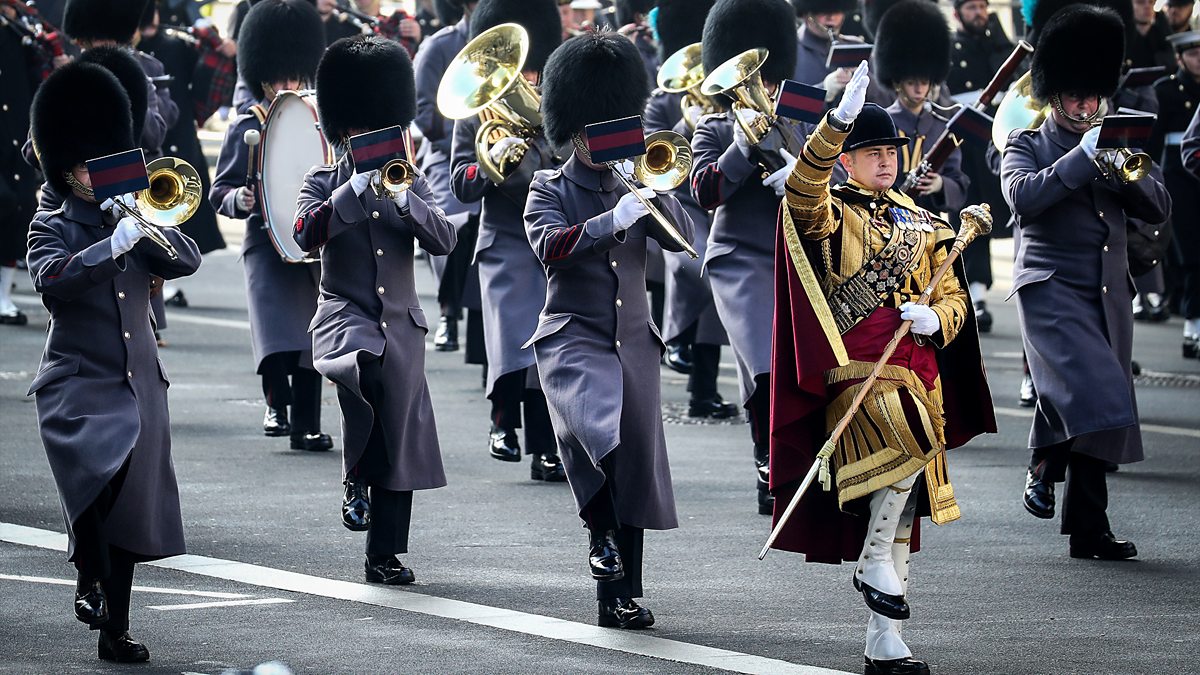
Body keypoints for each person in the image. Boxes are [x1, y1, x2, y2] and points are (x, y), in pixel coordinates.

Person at [770, 61, 994, 675]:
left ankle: (884, 640)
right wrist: (833, 125)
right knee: (909, 442)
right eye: (869, 152)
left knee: (903, 508)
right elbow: (801, 196)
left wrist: (936, 319)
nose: (886, 162)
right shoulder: (832, 211)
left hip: (921, 370)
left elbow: (954, 299)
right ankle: (871, 564)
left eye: (890, 151)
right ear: (848, 159)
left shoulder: (927, 223)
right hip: (859, 371)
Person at [26, 59, 201, 663]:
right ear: (66, 168)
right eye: (81, 164)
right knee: (97, 486)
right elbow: (54, 281)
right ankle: (87, 576)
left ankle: (114, 628)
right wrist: (110, 244)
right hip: (81, 383)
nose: (89, 173)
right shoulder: (50, 224)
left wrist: (143, 223)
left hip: (138, 385)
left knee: (128, 508)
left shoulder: (132, 209)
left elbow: (188, 260)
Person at [525, 29, 692, 629]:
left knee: (634, 468)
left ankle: (621, 594)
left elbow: (684, 246)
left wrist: (651, 193)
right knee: (601, 438)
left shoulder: (632, 179)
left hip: (634, 343)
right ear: (573, 130)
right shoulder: (549, 186)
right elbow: (549, 246)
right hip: (574, 339)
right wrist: (608, 220)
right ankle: (599, 535)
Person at [1002, 5, 1170, 560]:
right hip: (1050, 287)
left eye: (1091, 96)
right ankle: (1045, 462)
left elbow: (1160, 206)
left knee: (1106, 405)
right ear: (1054, 96)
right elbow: (1023, 198)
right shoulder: (1026, 143)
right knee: (1094, 392)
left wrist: (1131, 172)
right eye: (1074, 96)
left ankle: (1088, 528)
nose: (1084, 106)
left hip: (1108, 289)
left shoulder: (1115, 139)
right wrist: (1082, 159)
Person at [294, 34, 455, 585]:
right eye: (361, 130)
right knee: (365, 378)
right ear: (343, 132)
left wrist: (406, 202)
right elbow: (304, 235)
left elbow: (445, 241)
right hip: (346, 316)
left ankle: (383, 555)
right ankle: (352, 478)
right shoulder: (322, 181)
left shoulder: (410, 179)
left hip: (403, 323)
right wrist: (352, 191)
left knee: (399, 439)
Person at [692, 0, 809, 515]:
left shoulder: (803, 119)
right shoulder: (712, 129)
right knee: (765, 362)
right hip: (740, 258)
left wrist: (805, 180)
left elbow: (841, 177)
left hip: (800, 257)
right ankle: (771, 467)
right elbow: (704, 190)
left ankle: (782, 469)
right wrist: (740, 146)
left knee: (792, 369)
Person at [449, 0, 567, 481]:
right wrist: (489, 162)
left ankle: (545, 447)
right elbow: (460, 182)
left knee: (545, 347)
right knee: (509, 340)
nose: (530, 77)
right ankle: (502, 421)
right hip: (503, 237)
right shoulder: (478, 108)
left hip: (551, 235)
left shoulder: (561, 98)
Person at [210, 0, 332, 451]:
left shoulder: (321, 120)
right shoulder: (247, 124)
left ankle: (307, 425)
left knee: (310, 340)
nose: (285, 86)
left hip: (312, 241)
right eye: (276, 79)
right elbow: (218, 190)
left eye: (292, 77)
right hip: (265, 240)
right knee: (277, 334)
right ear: (261, 78)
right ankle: (275, 406)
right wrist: (237, 199)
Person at [642, 0, 737, 420]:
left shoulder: (725, 98)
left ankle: (704, 390)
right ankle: (675, 340)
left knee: (716, 283)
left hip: (714, 200)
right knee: (691, 271)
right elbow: (649, 152)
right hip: (677, 203)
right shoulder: (663, 101)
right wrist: (687, 125)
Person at [138, 1, 228, 307]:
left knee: (178, 209)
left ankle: (170, 276)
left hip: (176, 137)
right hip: (145, 142)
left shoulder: (177, 45)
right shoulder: (128, 55)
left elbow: (205, 88)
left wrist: (218, 52)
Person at [412, 0, 480, 353]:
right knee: (453, 219)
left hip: (505, 155)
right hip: (446, 155)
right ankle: (449, 312)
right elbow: (423, 109)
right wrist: (465, 140)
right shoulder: (439, 46)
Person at [946, 0, 1016, 332]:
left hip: (996, 141)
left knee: (1001, 215)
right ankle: (974, 295)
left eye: (983, 6)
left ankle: (987, 291)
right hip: (965, 143)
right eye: (972, 7)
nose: (980, 13)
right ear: (958, 13)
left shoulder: (997, 45)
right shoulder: (949, 48)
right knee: (969, 215)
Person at [1154, 32, 1200, 356]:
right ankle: (1192, 325)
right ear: (1180, 58)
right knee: (1191, 254)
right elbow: (1156, 143)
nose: (1199, 60)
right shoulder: (1166, 89)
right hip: (1178, 176)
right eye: (1193, 54)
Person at [0, 2, 43, 326]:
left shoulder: (24, 32)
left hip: (16, 131)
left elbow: (34, 81)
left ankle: (3, 296)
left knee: (18, 210)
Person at [792, 0, 860, 88]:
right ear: (807, 14)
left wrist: (862, 78)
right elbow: (785, 100)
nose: (831, 17)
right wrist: (824, 89)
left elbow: (882, 98)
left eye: (837, 11)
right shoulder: (789, 51)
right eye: (823, 11)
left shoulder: (855, 46)